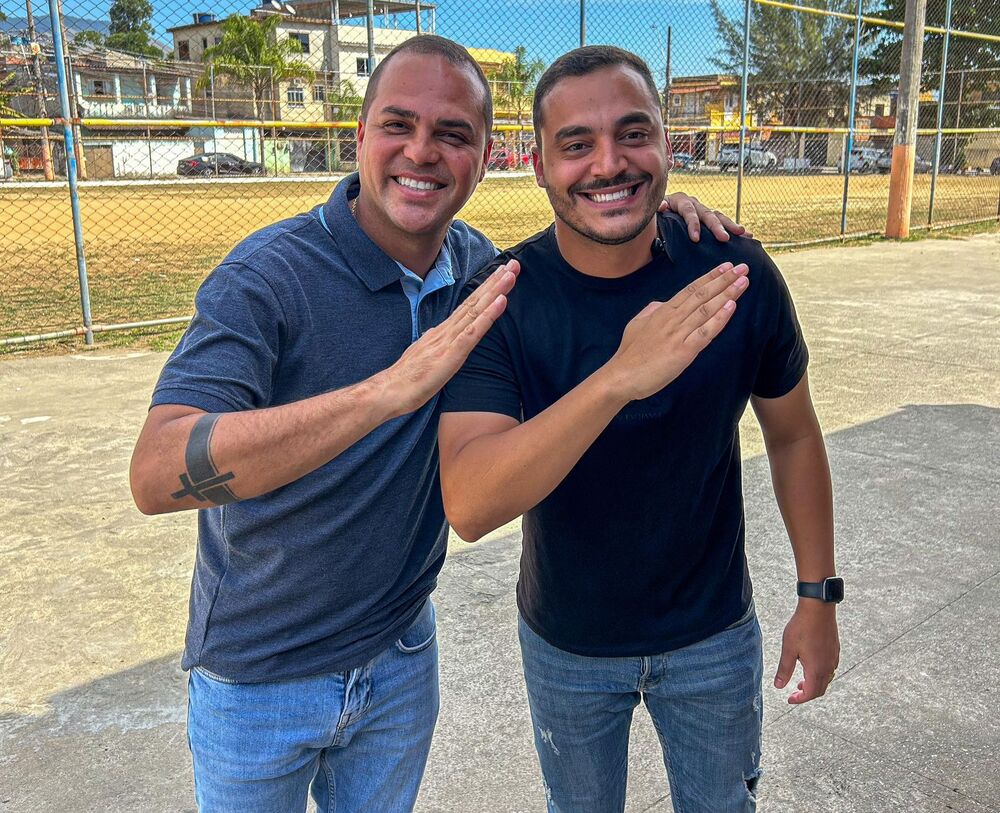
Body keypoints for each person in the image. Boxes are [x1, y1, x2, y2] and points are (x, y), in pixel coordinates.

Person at [129, 35, 744, 813]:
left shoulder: (486, 275)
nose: (422, 151)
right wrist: (384, 392)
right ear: (359, 138)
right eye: (398, 125)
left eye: (453, 134)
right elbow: (155, 473)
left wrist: (674, 214)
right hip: (258, 675)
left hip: (398, 656)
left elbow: (599, 240)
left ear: (485, 157)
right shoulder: (269, 275)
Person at [438, 45, 841, 813]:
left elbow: (793, 434)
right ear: (539, 166)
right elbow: (471, 501)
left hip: (713, 633)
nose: (608, 164)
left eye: (633, 134)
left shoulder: (733, 274)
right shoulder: (503, 300)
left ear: (665, 144)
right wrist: (621, 375)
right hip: (567, 642)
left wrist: (818, 596)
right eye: (577, 144)